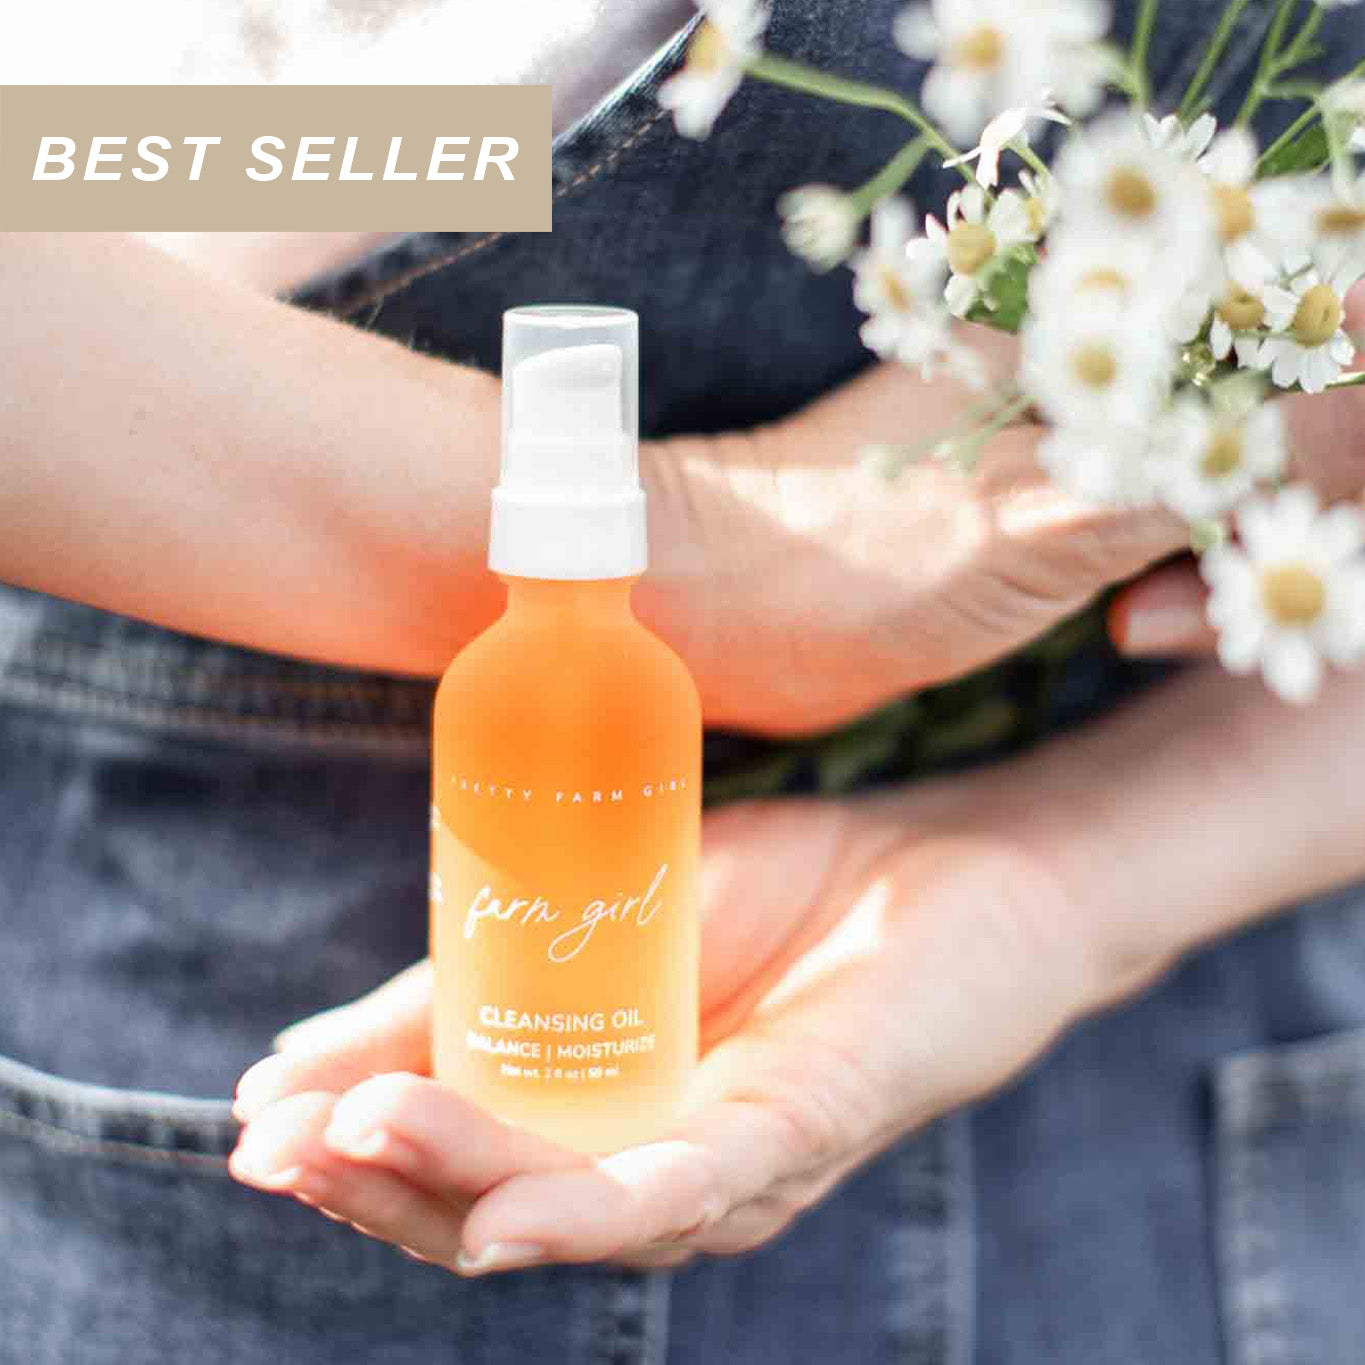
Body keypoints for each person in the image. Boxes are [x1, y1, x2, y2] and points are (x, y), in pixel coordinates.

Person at [3, 2, 1365, 1362]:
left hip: (1206, 1033)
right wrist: (716, 548)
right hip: (233, 903)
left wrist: (1081, 871)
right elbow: (54, 163)